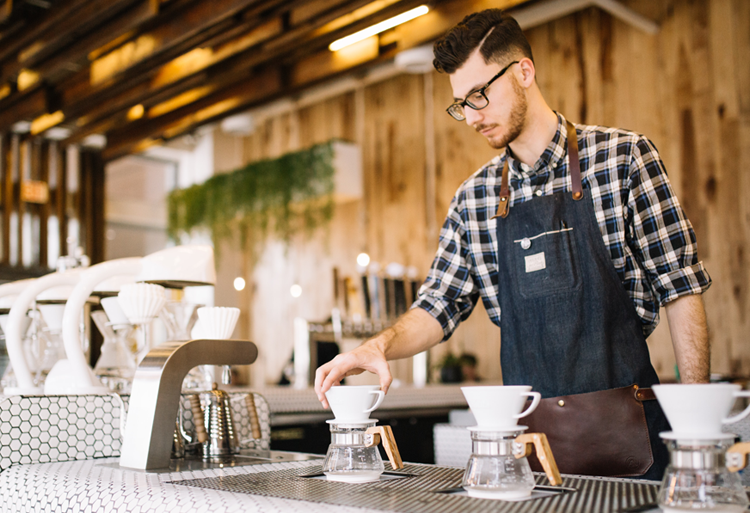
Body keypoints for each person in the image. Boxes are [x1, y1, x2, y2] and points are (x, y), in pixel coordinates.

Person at [315, 9, 711, 480]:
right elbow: (438, 304)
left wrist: (697, 434)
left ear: (524, 70)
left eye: (480, 95)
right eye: (461, 104)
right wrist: (375, 346)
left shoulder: (623, 160)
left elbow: (681, 290)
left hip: (633, 447)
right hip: (529, 461)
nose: (472, 116)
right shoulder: (474, 199)